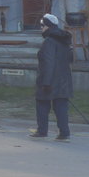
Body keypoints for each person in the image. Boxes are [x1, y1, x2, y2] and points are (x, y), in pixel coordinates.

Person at [30, 12, 73, 141]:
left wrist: (46, 83)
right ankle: (64, 133)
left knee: (42, 104)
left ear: (48, 26)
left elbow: (48, 63)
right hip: (64, 79)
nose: (41, 28)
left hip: (49, 80)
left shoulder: (49, 41)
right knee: (61, 107)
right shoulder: (64, 41)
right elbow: (70, 59)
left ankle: (42, 131)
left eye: (42, 25)